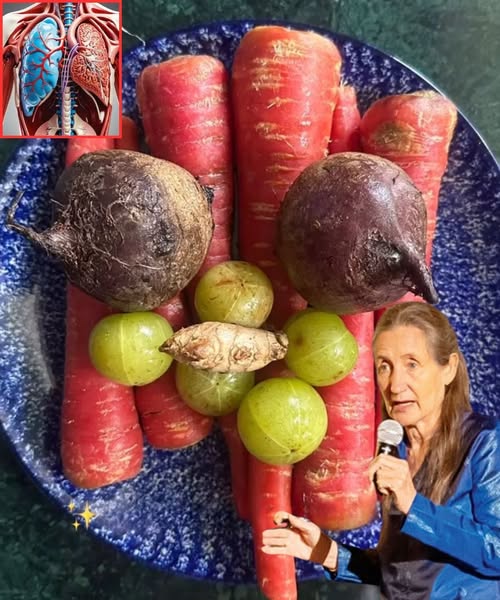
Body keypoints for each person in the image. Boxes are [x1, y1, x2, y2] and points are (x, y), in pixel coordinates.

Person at [262, 302, 500, 599]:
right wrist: (326, 551)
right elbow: (400, 576)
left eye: (412, 364)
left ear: (448, 369)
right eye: (384, 366)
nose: (395, 385)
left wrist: (413, 504)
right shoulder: (395, 451)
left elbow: (496, 552)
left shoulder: (485, 442)